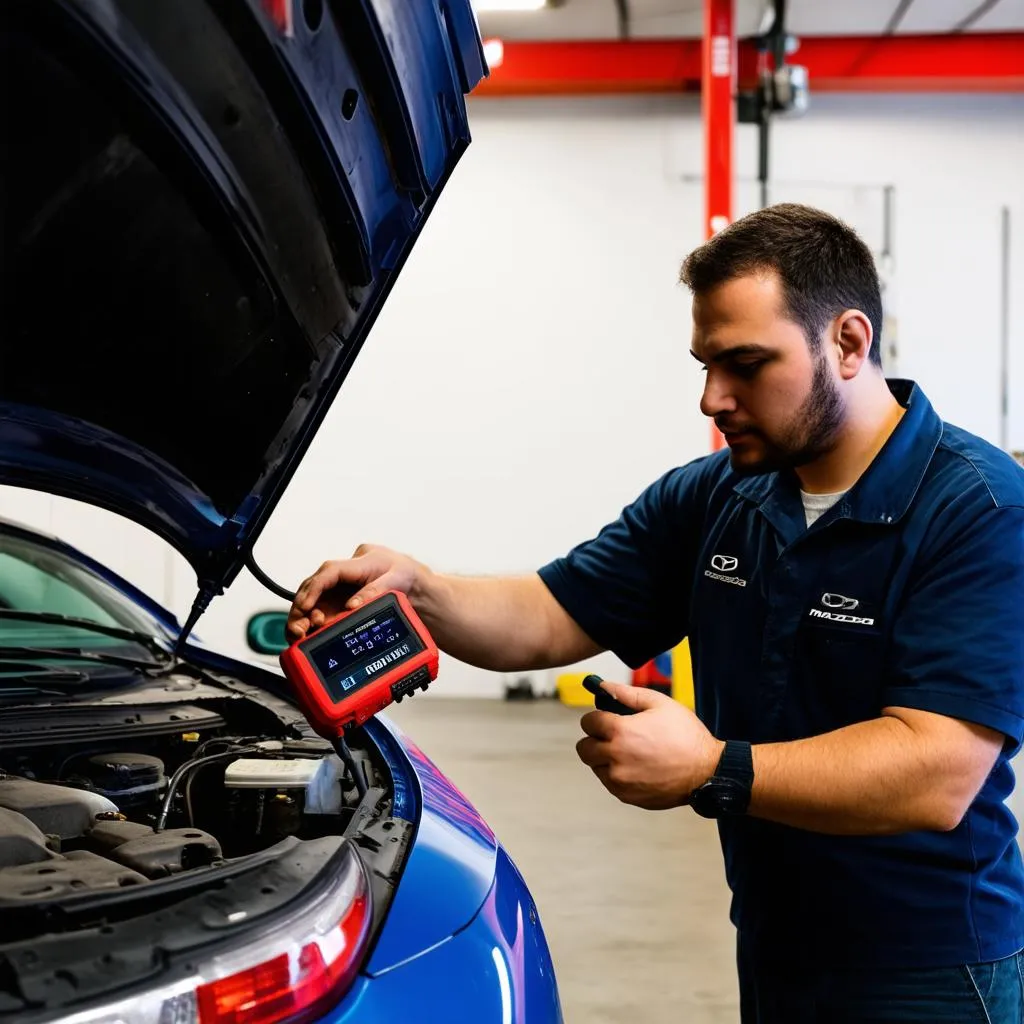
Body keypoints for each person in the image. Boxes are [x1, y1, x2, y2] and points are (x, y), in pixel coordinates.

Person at [287, 204, 1024, 1023]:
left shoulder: (977, 508)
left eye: (746, 364)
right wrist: (420, 589)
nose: (715, 398)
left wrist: (714, 768)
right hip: (776, 942)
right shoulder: (720, 495)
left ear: (848, 344)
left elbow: (937, 771)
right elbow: (550, 611)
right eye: (707, 364)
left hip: (928, 970)